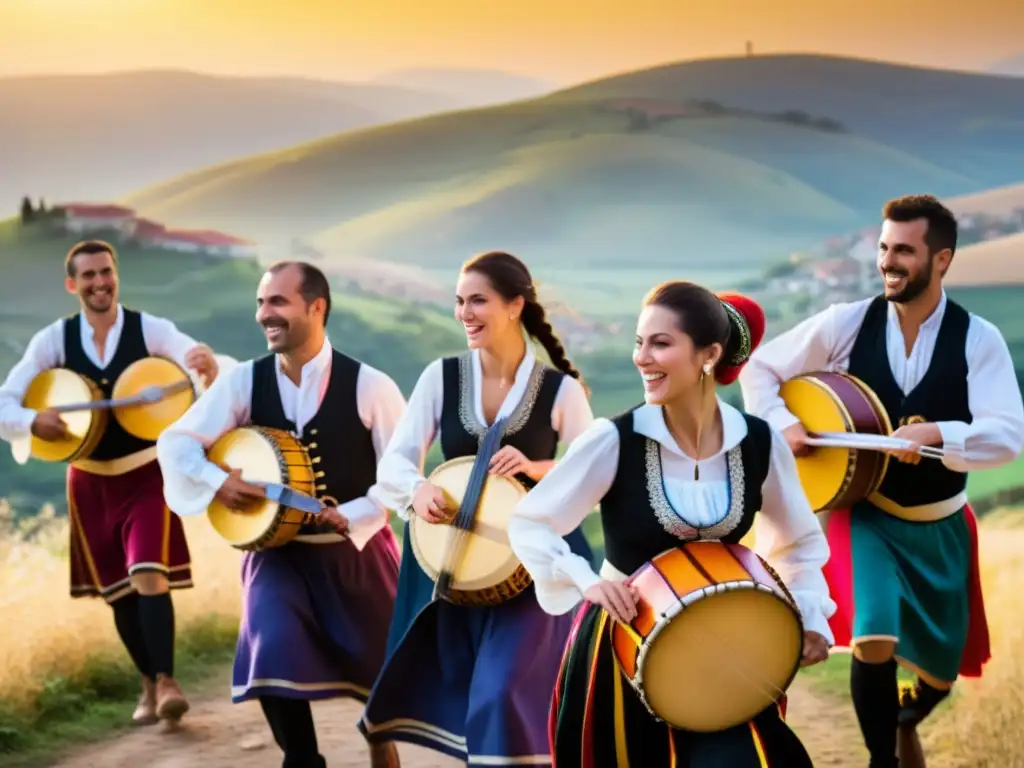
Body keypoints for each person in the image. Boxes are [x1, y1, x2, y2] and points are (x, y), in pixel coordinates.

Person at [738, 194, 1024, 767]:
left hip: (941, 528)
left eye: (905, 251)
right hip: (867, 513)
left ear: (942, 260)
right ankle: (881, 762)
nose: (888, 262)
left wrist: (938, 435)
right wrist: (785, 422)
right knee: (872, 639)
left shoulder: (979, 339)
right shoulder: (847, 320)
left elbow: (1009, 436)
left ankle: (905, 719)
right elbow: (762, 370)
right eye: (884, 248)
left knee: (941, 674)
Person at [509, 281, 836, 767]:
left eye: (661, 343)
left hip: (728, 652)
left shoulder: (759, 443)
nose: (642, 357)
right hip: (623, 648)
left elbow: (800, 544)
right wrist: (584, 580)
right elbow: (531, 522)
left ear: (709, 354)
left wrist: (810, 616)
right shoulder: (614, 439)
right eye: (639, 342)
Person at [156, 261, 405, 768]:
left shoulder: (371, 386)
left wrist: (354, 513)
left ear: (317, 307)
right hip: (277, 557)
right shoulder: (243, 382)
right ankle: (303, 760)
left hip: (356, 558)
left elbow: (402, 479)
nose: (263, 315)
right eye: (260, 302)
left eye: (277, 302)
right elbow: (177, 441)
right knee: (271, 654)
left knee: (379, 678)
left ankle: (380, 739)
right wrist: (216, 479)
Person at [357, 251, 596, 766]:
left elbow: (592, 474)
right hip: (455, 561)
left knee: (501, 691)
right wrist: (416, 490)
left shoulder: (562, 390)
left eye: (478, 300)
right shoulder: (440, 378)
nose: (465, 312)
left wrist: (535, 467)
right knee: (468, 697)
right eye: (459, 301)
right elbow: (395, 463)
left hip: (535, 568)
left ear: (514, 306)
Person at [0, 239, 220, 725]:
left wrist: (203, 363)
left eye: (106, 272)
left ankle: (166, 683)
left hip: (145, 473)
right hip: (89, 481)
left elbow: (193, 361)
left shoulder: (151, 329)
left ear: (116, 276)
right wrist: (34, 423)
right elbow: (5, 403)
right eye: (89, 276)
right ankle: (147, 682)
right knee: (118, 592)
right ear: (72, 284)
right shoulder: (53, 340)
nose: (100, 282)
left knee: (148, 575)